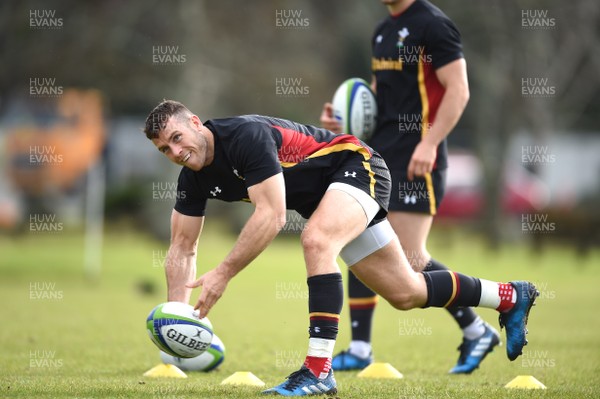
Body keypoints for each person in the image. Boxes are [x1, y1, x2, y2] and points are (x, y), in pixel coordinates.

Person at [143, 100, 538, 396]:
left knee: (316, 240)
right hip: (327, 198)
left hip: (355, 165)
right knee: (407, 292)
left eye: (177, 138)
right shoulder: (190, 178)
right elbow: (182, 247)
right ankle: (507, 296)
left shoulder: (244, 137)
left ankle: (318, 370)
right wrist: (176, 317)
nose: (176, 153)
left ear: (195, 123)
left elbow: (273, 215)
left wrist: (223, 273)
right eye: (165, 150)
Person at [320, 0, 494, 374]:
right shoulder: (382, 29)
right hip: (379, 156)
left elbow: (458, 90)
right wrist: (343, 118)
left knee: (412, 257)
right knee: (360, 237)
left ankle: (477, 328)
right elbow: (376, 97)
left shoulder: (434, 25)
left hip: (418, 156)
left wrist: (429, 144)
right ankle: (361, 348)